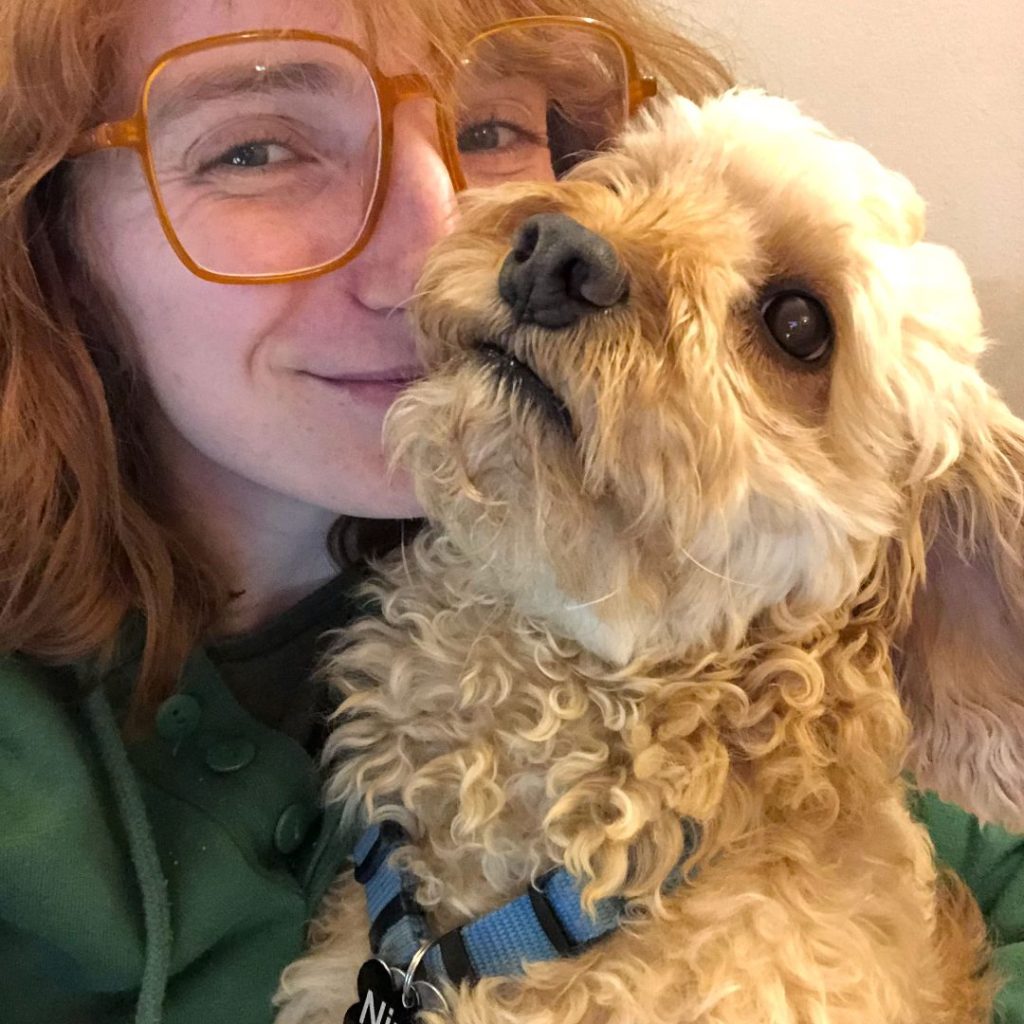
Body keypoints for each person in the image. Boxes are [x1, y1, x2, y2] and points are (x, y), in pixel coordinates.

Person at [0, 0, 1021, 1021]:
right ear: (46, 219)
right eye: (257, 149)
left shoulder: (748, 645)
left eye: (488, 132)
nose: (434, 239)